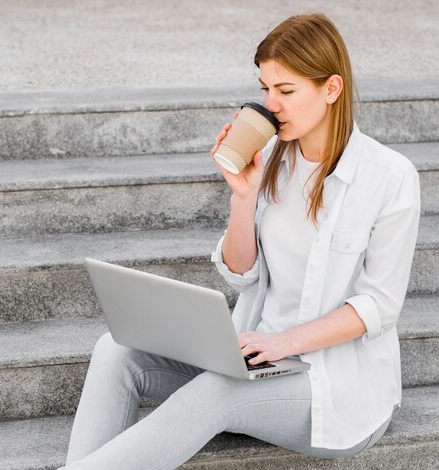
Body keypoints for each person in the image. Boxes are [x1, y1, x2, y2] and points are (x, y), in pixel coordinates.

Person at [60, 13, 420, 469]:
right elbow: (240, 272)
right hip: (257, 359)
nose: (271, 106)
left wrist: (285, 343)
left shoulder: (390, 177)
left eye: (286, 91)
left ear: (331, 89)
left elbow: (378, 306)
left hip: (332, 388)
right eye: (265, 89)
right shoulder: (269, 155)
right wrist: (243, 196)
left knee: (218, 390)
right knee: (115, 351)